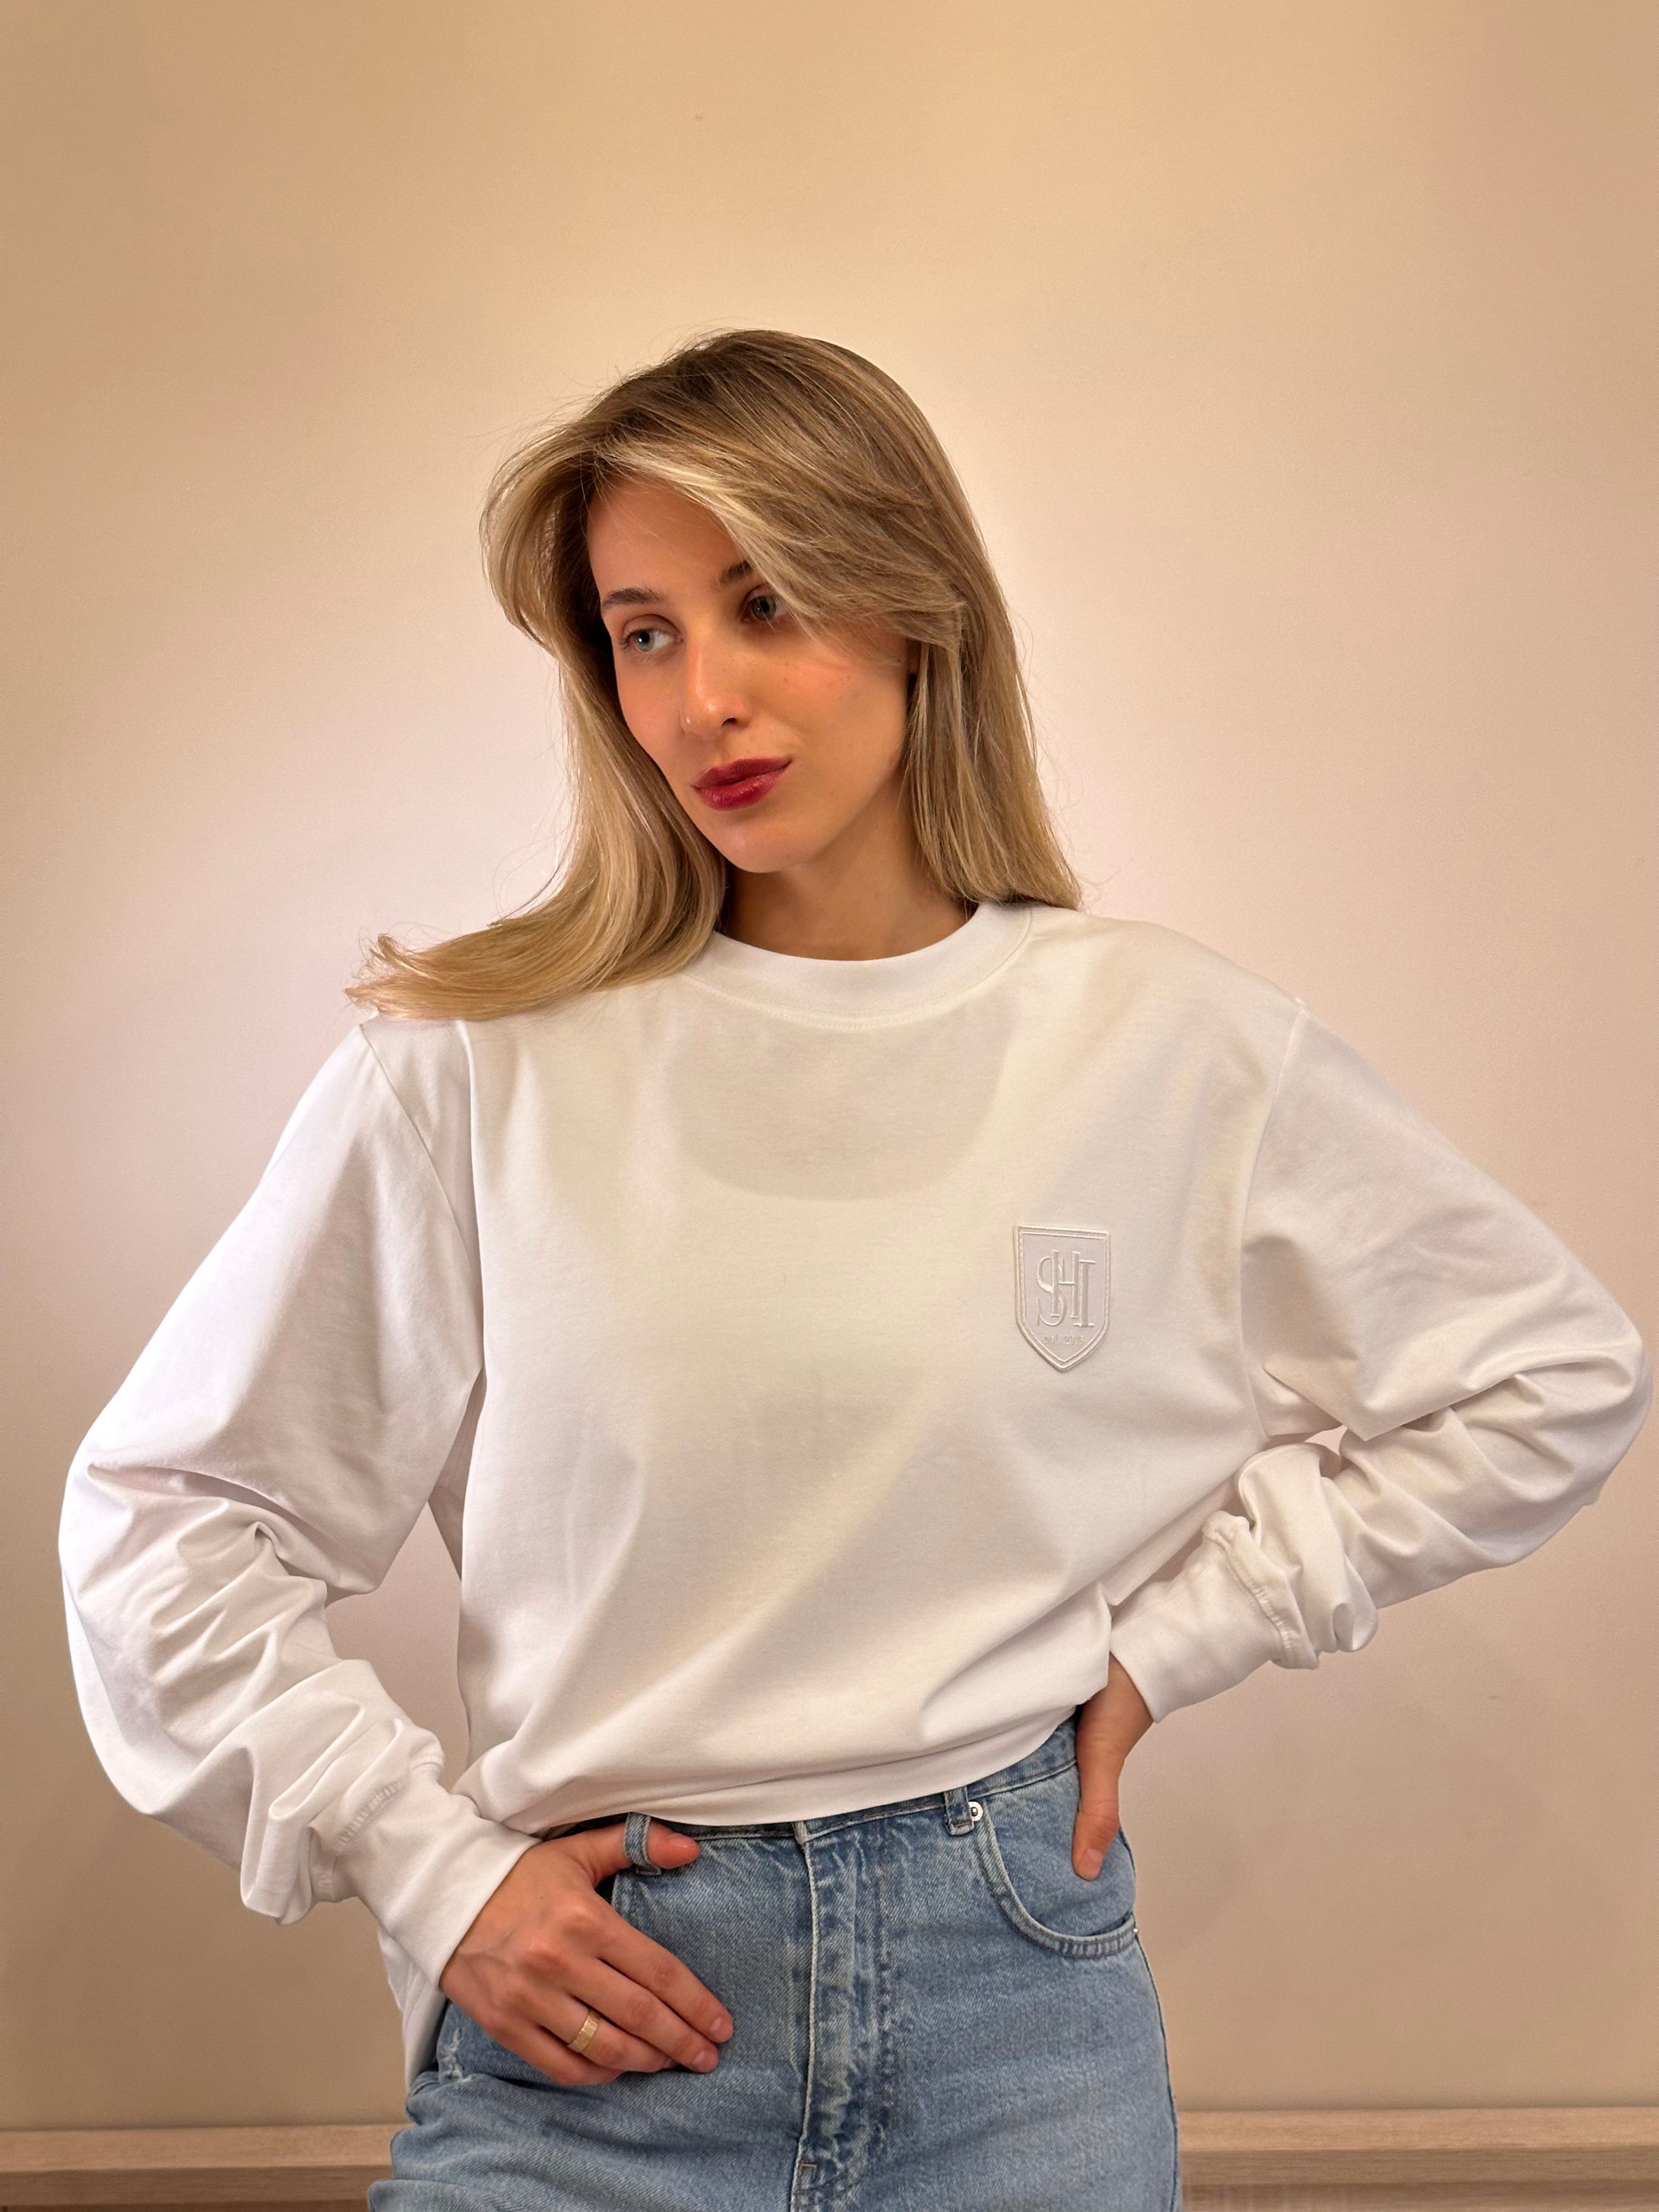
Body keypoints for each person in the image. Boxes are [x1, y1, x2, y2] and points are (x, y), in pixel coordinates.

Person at [59, 329, 1649, 2212]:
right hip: (605, 2025)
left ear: (917, 610)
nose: (703, 699)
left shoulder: (1170, 1047)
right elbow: (171, 1521)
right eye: (643, 633)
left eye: (768, 603)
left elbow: (1552, 1373)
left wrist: (1184, 1638)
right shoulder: (478, 1065)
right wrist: (435, 1870)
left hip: (1020, 2014)